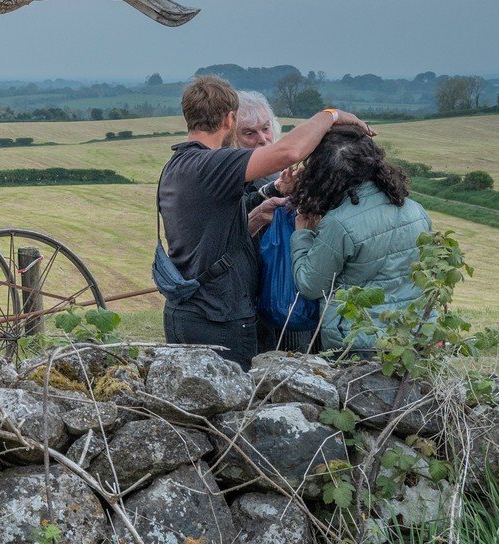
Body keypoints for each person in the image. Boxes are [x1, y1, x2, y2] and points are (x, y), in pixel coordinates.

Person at [156, 74, 367, 367]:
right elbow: (288, 152)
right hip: (219, 316)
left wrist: (270, 194)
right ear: (230, 120)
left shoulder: (178, 164)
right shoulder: (214, 163)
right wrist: (329, 115)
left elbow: (216, 222)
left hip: (185, 312)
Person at [290, 126, 433, 353]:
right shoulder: (416, 210)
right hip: (412, 334)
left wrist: (302, 234)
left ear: (323, 174)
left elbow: (310, 285)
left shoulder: (338, 224)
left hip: (359, 339)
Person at [234, 91, 314, 353]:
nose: (262, 140)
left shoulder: (285, 173)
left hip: (291, 293)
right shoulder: (228, 178)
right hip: (251, 293)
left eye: (266, 128)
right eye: (249, 133)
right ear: (230, 135)